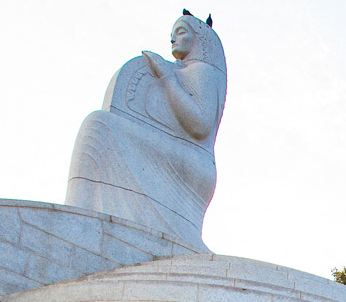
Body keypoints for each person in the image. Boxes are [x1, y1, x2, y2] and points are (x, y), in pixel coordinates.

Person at [65, 13, 227, 250]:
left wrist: (167, 76)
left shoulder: (202, 71)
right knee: (98, 126)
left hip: (192, 162)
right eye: (172, 34)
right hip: (182, 154)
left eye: (181, 33)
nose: (173, 39)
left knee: (98, 127)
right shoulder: (188, 71)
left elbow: (200, 124)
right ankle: (81, 217)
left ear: (201, 40)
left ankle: (77, 220)